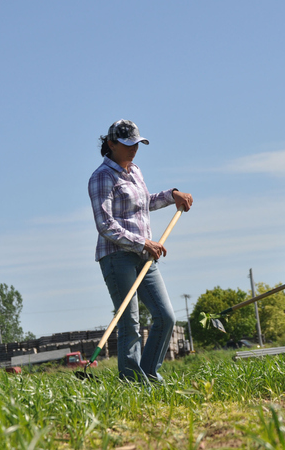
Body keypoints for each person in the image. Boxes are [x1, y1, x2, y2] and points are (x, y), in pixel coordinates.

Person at [88, 119, 193, 383]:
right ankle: (132, 383)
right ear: (111, 144)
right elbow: (105, 225)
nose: (133, 149)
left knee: (165, 317)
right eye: (127, 144)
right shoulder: (101, 177)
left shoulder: (135, 171)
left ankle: (149, 374)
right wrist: (144, 242)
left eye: (137, 144)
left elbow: (145, 203)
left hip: (144, 256)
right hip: (116, 256)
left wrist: (172, 195)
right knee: (129, 322)